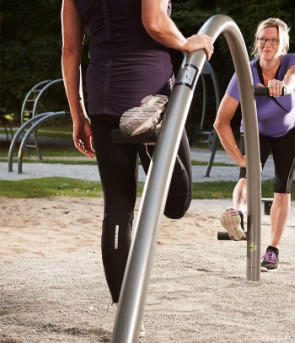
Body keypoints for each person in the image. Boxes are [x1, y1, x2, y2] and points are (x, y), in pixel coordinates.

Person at [61, 0, 213, 337]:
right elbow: (155, 22)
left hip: (102, 98)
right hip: (148, 91)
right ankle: (154, 143)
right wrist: (189, 42)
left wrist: (77, 115)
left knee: (117, 206)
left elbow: (70, 51)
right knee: (176, 203)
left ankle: (124, 313)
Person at [213, 18, 295, 272]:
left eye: (274, 39)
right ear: (256, 43)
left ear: (282, 44)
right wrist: (239, 159)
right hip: (256, 131)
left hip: (288, 130)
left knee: (281, 188)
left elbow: (293, 77)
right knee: (247, 173)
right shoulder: (244, 73)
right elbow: (221, 122)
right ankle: (237, 215)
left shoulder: (291, 60)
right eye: (263, 39)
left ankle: (272, 250)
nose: (268, 44)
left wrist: (282, 85)